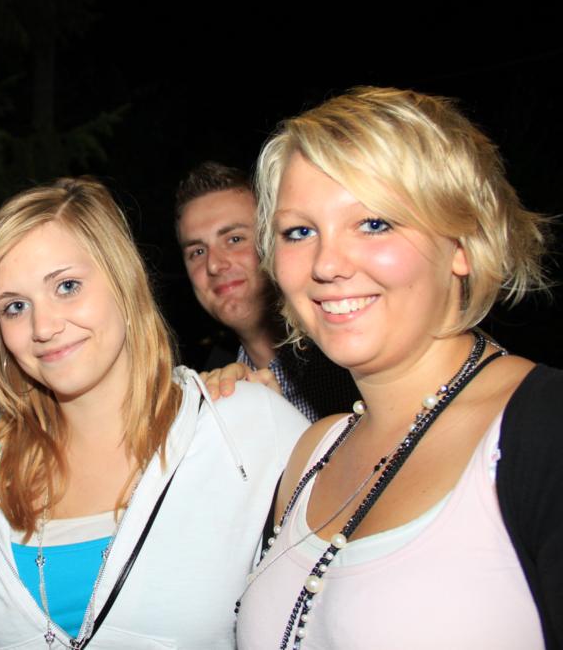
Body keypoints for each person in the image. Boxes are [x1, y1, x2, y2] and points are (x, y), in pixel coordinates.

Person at [235, 87, 560, 649]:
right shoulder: (311, 453)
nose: (327, 264)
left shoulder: (543, 429)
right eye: (299, 232)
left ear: (463, 244)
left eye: (374, 223)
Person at [0, 178, 309, 648]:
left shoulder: (243, 426)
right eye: (15, 307)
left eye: (67, 286)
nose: (43, 326)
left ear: (124, 281)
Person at [175, 161, 359, 421]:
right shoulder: (214, 402)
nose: (214, 264)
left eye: (235, 239)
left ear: (274, 242)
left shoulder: (349, 354)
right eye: (197, 252)